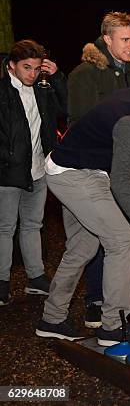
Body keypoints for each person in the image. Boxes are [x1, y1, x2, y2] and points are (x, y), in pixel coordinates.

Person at [35, 60, 130, 345]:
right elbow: (120, 182)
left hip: (69, 166)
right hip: (77, 175)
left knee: (83, 246)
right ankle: (113, 327)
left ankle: (51, 319)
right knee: (123, 240)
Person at [68, 11, 130, 327]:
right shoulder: (85, 74)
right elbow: (81, 125)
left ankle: (119, 296)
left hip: (128, 165)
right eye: (124, 39)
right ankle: (96, 300)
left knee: (124, 232)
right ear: (106, 39)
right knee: (101, 233)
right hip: (95, 168)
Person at [0, 39, 67, 306]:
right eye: (26, 67)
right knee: (5, 228)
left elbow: (64, 109)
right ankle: (2, 282)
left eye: (37, 68)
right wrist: (7, 160)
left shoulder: (43, 87)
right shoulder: (2, 92)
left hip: (38, 170)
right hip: (7, 172)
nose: (32, 73)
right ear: (11, 66)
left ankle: (36, 277)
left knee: (32, 225)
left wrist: (57, 77)